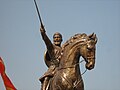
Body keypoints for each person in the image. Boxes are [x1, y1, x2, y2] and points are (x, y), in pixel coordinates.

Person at [39, 26, 63, 90]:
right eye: (55, 37)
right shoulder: (51, 47)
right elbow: (46, 41)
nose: (56, 39)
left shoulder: (64, 49)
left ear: (61, 39)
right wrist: (43, 33)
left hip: (62, 68)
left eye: (58, 37)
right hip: (53, 68)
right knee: (46, 78)